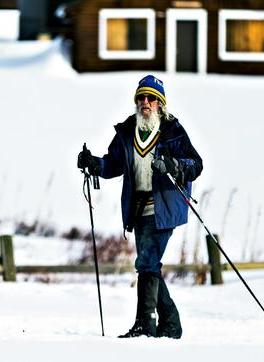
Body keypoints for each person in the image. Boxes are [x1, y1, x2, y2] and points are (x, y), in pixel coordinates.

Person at [77, 75, 203, 339]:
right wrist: (93, 164)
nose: (145, 102)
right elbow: (113, 164)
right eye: (141, 98)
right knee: (150, 265)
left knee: (146, 262)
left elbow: (195, 164)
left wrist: (174, 166)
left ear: (160, 103)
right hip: (138, 209)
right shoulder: (127, 131)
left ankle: (145, 324)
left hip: (165, 208)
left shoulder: (172, 131)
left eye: (151, 98)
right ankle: (170, 322)